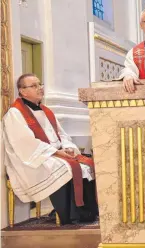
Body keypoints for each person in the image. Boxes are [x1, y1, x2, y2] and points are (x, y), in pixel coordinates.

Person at [3, 74, 98, 224]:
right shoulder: (15, 114)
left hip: (53, 154)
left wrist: (68, 148)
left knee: (86, 163)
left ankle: (87, 213)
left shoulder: (46, 111)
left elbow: (61, 135)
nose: (40, 88)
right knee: (65, 167)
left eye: (40, 84)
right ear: (22, 91)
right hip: (33, 159)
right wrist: (55, 152)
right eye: (34, 86)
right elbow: (25, 143)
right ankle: (70, 215)